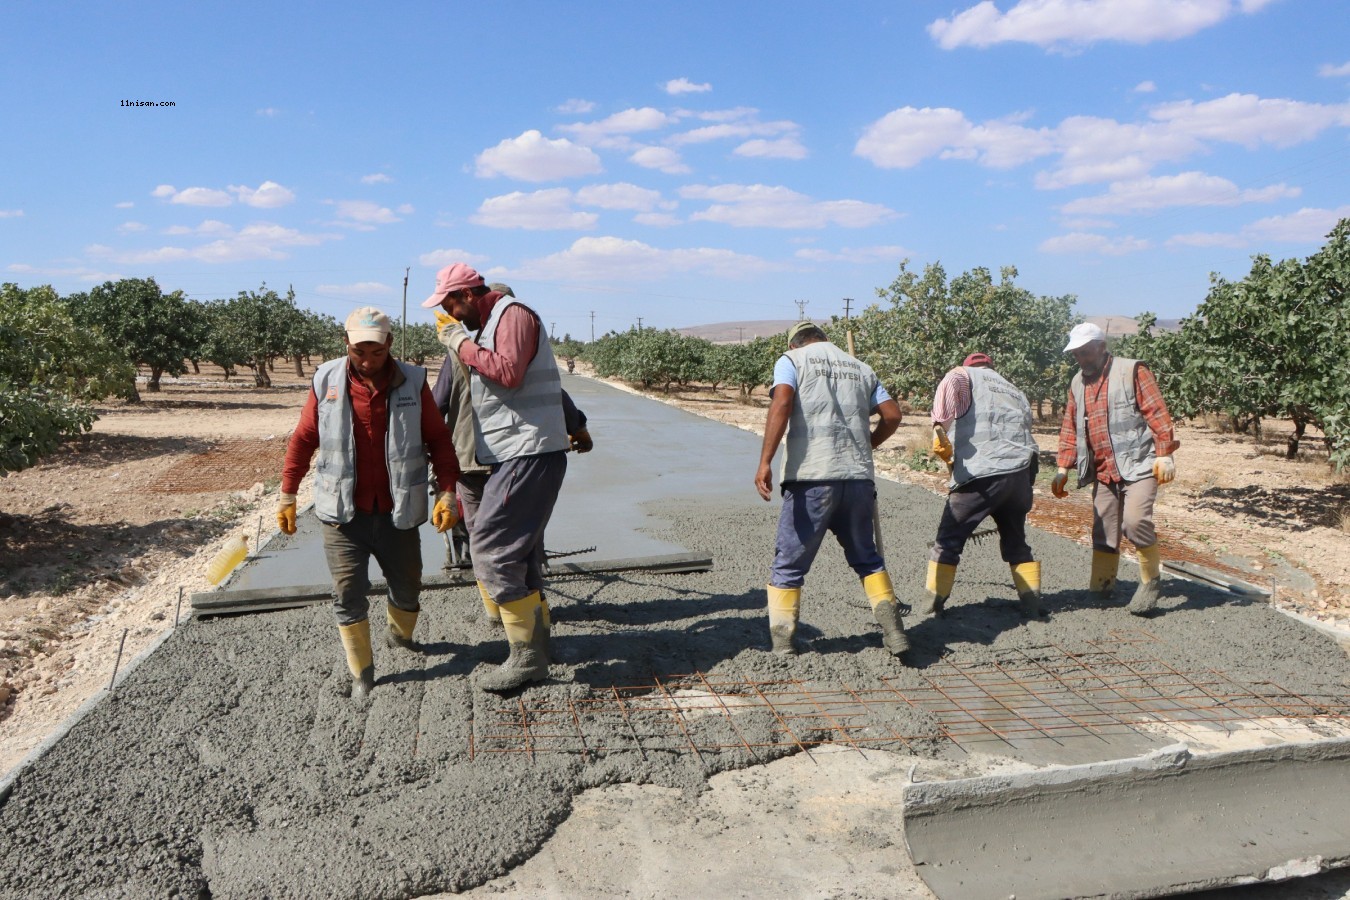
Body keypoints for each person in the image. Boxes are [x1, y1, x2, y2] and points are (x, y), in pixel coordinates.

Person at [276, 306, 461, 698]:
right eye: (360, 351)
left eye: (376, 353)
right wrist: (287, 494)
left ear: (389, 345)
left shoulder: (412, 381)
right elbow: (303, 440)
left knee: (408, 587)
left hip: (398, 511)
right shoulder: (326, 379)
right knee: (347, 592)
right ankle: (362, 673)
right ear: (346, 344)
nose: (367, 361)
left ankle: (401, 637)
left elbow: (439, 440)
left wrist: (448, 492)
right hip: (344, 515)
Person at [423, 264, 575, 691]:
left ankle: (525, 658)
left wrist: (457, 341)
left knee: (489, 546)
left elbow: (507, 372)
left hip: (529, 450)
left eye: (450, 305)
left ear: (468, 295)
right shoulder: (490, 325)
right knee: (518, 552)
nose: (450, 316)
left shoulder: (513, 316)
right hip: (514, 452)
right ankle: (537, 648)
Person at [754, 322, 907, 658]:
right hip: (857, 478)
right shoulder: (861, 368)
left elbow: (781, 403)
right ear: (824, 339)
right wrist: (869, 445)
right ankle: (895, 633)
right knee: (867, 558)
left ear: (795, 344)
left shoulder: (792, 361)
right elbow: (893, 415)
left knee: (789, 564)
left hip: (813, 477)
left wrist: (765, 460)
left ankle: (782, 644)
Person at [1050, 322, 1179, 615]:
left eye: (1086, 352)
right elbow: (1070, 428)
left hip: (1140, 464)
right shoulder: (1076, 383)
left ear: (1102, 347)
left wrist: (1164, 453)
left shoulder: (1132, 371)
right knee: (1104, 529)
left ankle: (1150, 582)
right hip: (1104, 470)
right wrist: (1062, 467)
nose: (1081, 359)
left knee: (1134, 523)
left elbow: (1157, 412)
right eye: (1077, 354)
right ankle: (1102, 586)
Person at [924, 352, 1043, 618]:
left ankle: (932, 605)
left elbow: (943, 416)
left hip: (982, 476)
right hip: (1019, 477)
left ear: (970, 366)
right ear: (992, 367)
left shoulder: (961, 375)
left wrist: (938, 429)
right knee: (1016, 541)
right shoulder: (1016, 391)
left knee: (948, 540)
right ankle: (1032, 603)